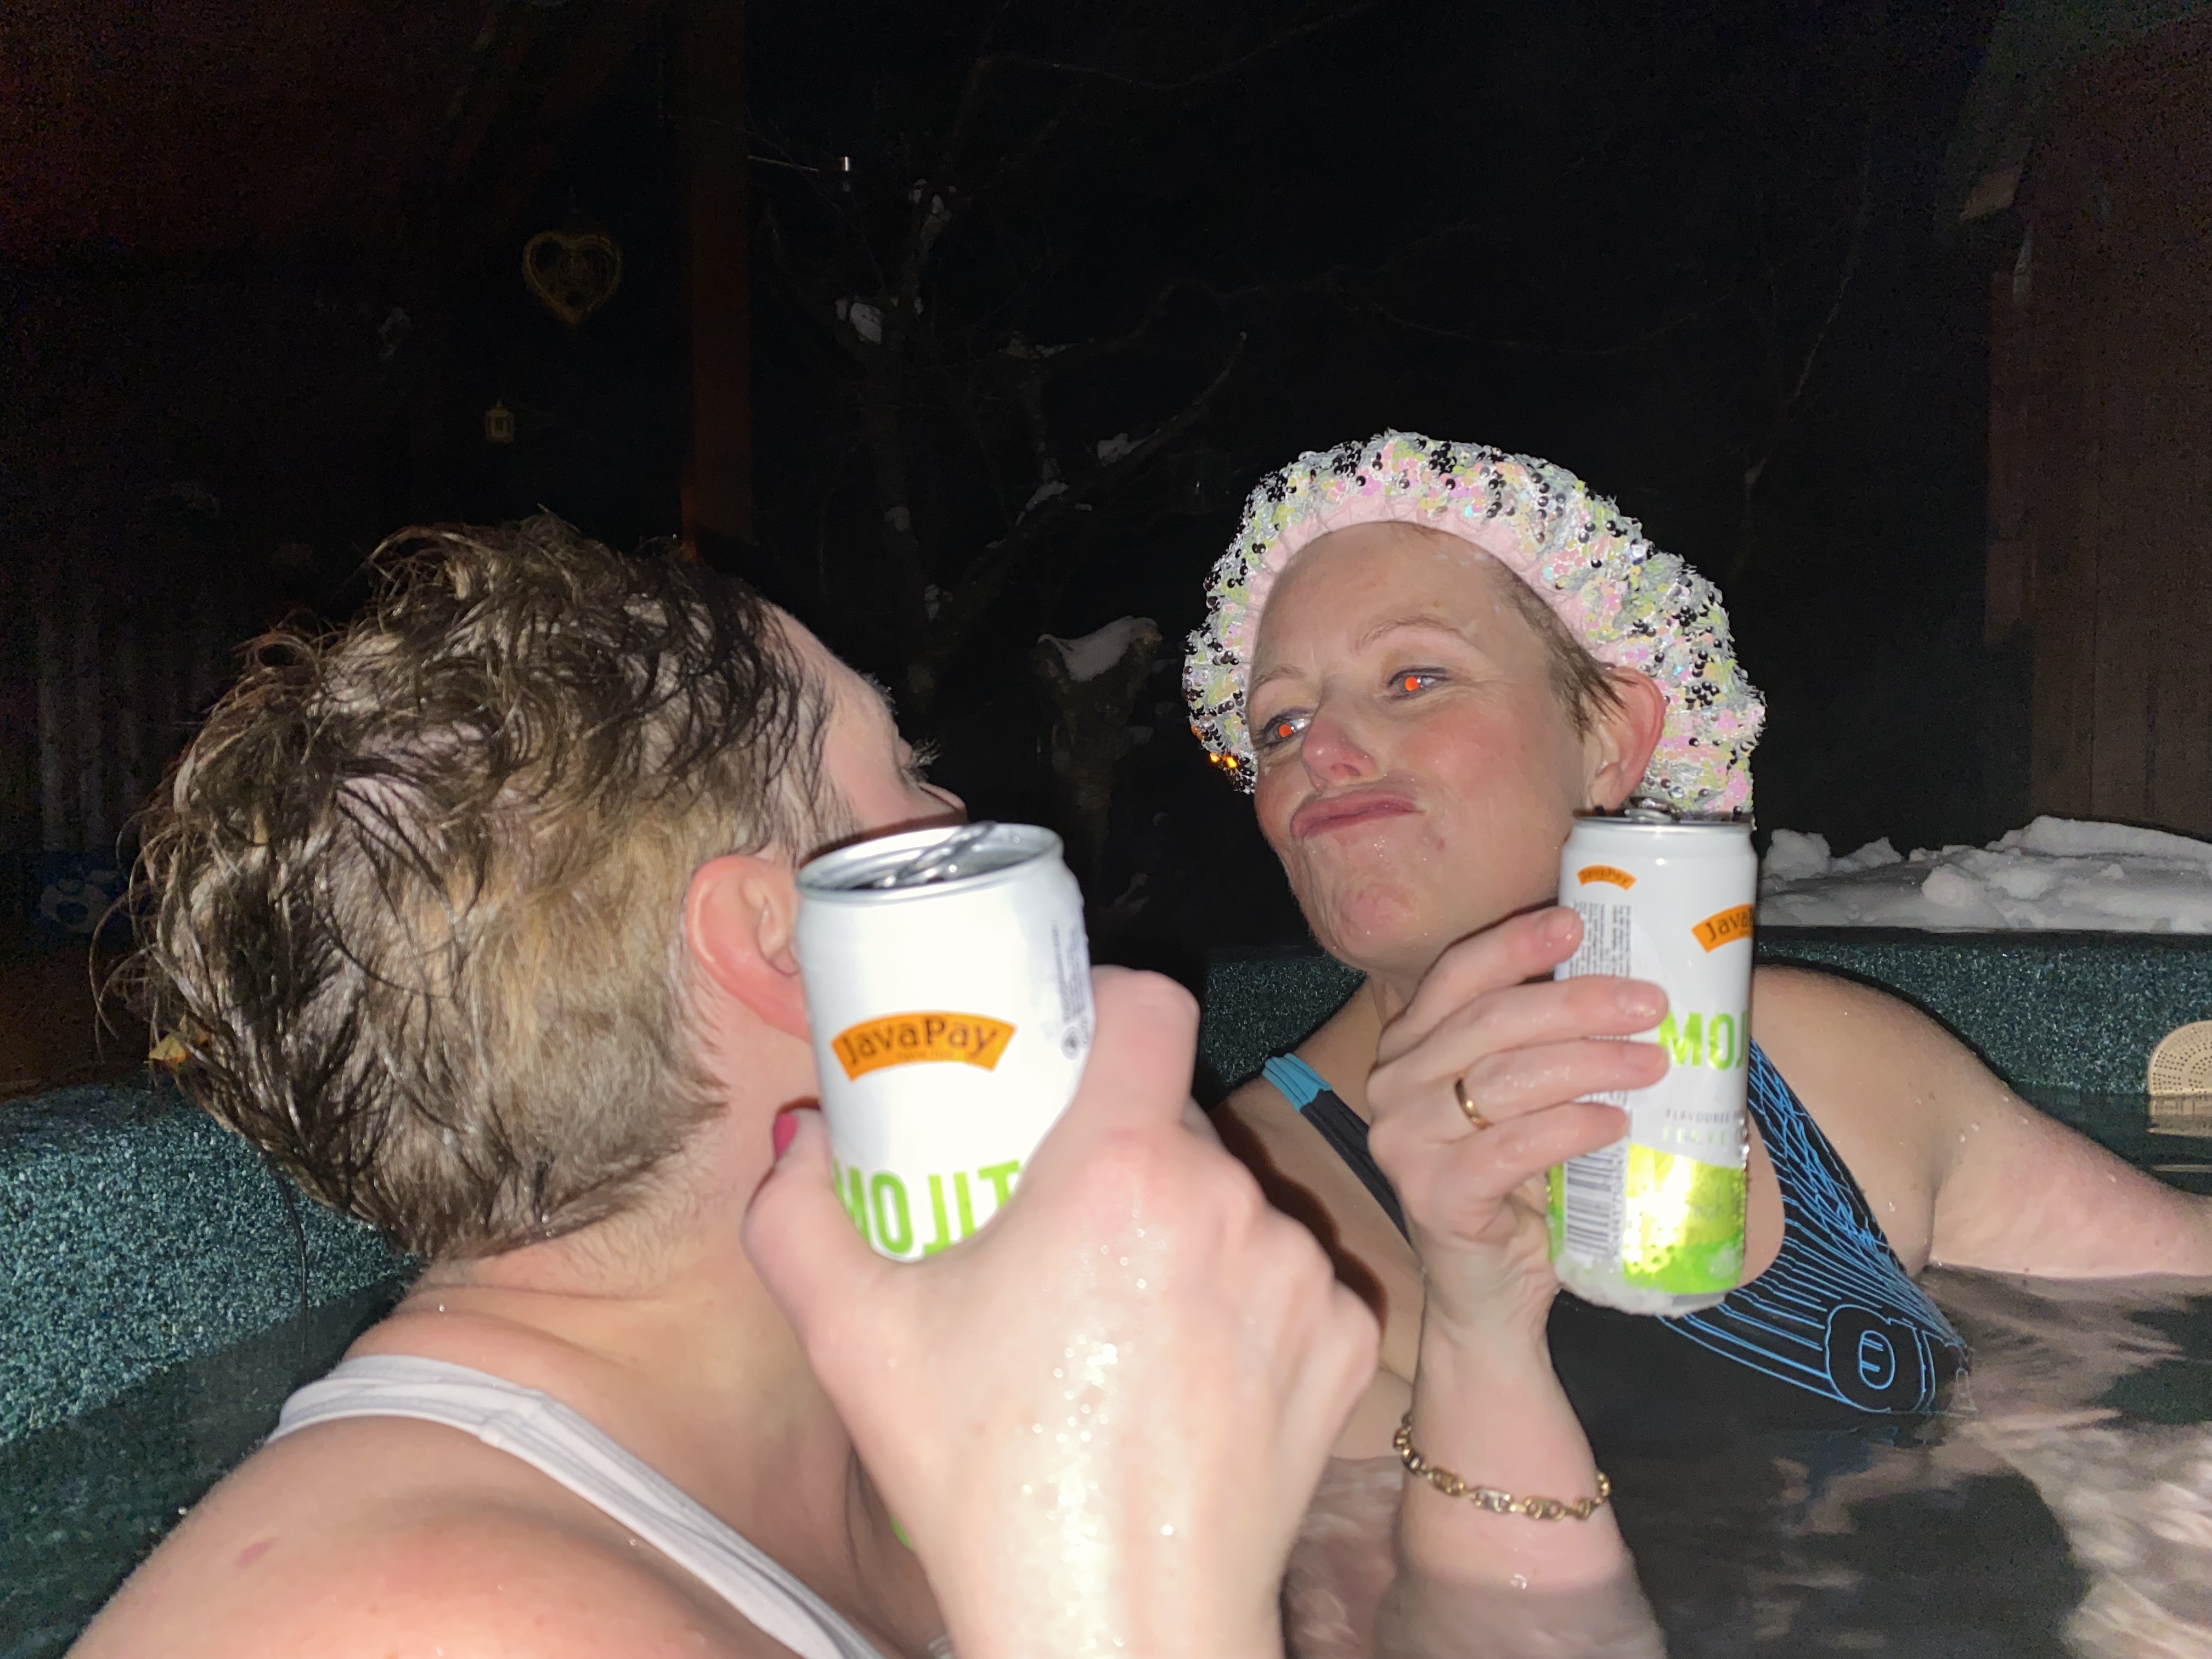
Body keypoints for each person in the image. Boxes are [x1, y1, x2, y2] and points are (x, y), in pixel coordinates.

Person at [74, 517, 1380, 1659]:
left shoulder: (881, 1426)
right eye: (905, 774)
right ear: (782, 942)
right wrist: (1129, 1606)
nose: (960, 814)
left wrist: (1475, 1330)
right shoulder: (416, 1629)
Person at [1180, 431, 2212, 1643]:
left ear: (1612, 737)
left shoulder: (1826, 1064)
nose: (1320, 753)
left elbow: (2172, 1301)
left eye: (1412, 679)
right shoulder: (1235, 1225)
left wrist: (2129, 1518)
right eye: (1280, 725)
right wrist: (1479, 1333)